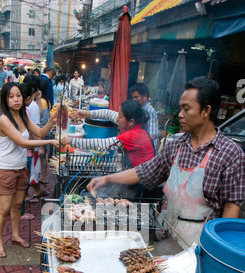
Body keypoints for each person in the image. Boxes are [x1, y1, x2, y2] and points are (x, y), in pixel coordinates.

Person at [87, 77, 245, 249]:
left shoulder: (230, 154)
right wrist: (107, 179)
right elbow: (144, 171)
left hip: (201, 247)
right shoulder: (176, 145)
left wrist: (218, 253)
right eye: (180, 108)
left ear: (206, 111)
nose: (180, 114)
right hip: (166, 237)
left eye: (186, 109)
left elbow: (231, 211)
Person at [0, 82, 59, 258]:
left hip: (21, 169)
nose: (16, 100)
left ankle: (15, 235)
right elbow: (23, 142)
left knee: (17, 205)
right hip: (5, 170)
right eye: (11, 96)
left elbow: (40, 131)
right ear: (5, 100)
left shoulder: (24, 115)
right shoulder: (4, 120)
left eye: (18, 95)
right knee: (4, 208)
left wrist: (52, 120)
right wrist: (50, 142)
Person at [64, 100, 155, 168]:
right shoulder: (136, 125)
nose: (117, 118)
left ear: (131, 121)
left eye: (120, 116)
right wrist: (86, 114)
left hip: (143, 181)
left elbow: (102, 144)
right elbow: (108, 114)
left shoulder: (134, 135)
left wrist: (71, 141)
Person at [130, 83, 159, 154]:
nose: (134, 100)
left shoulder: (149, 110)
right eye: (133, 97)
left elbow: (152, 135)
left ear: (145, 96)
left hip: (148, 150)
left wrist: (137, 145)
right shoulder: (140, 109)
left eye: (136, 97)